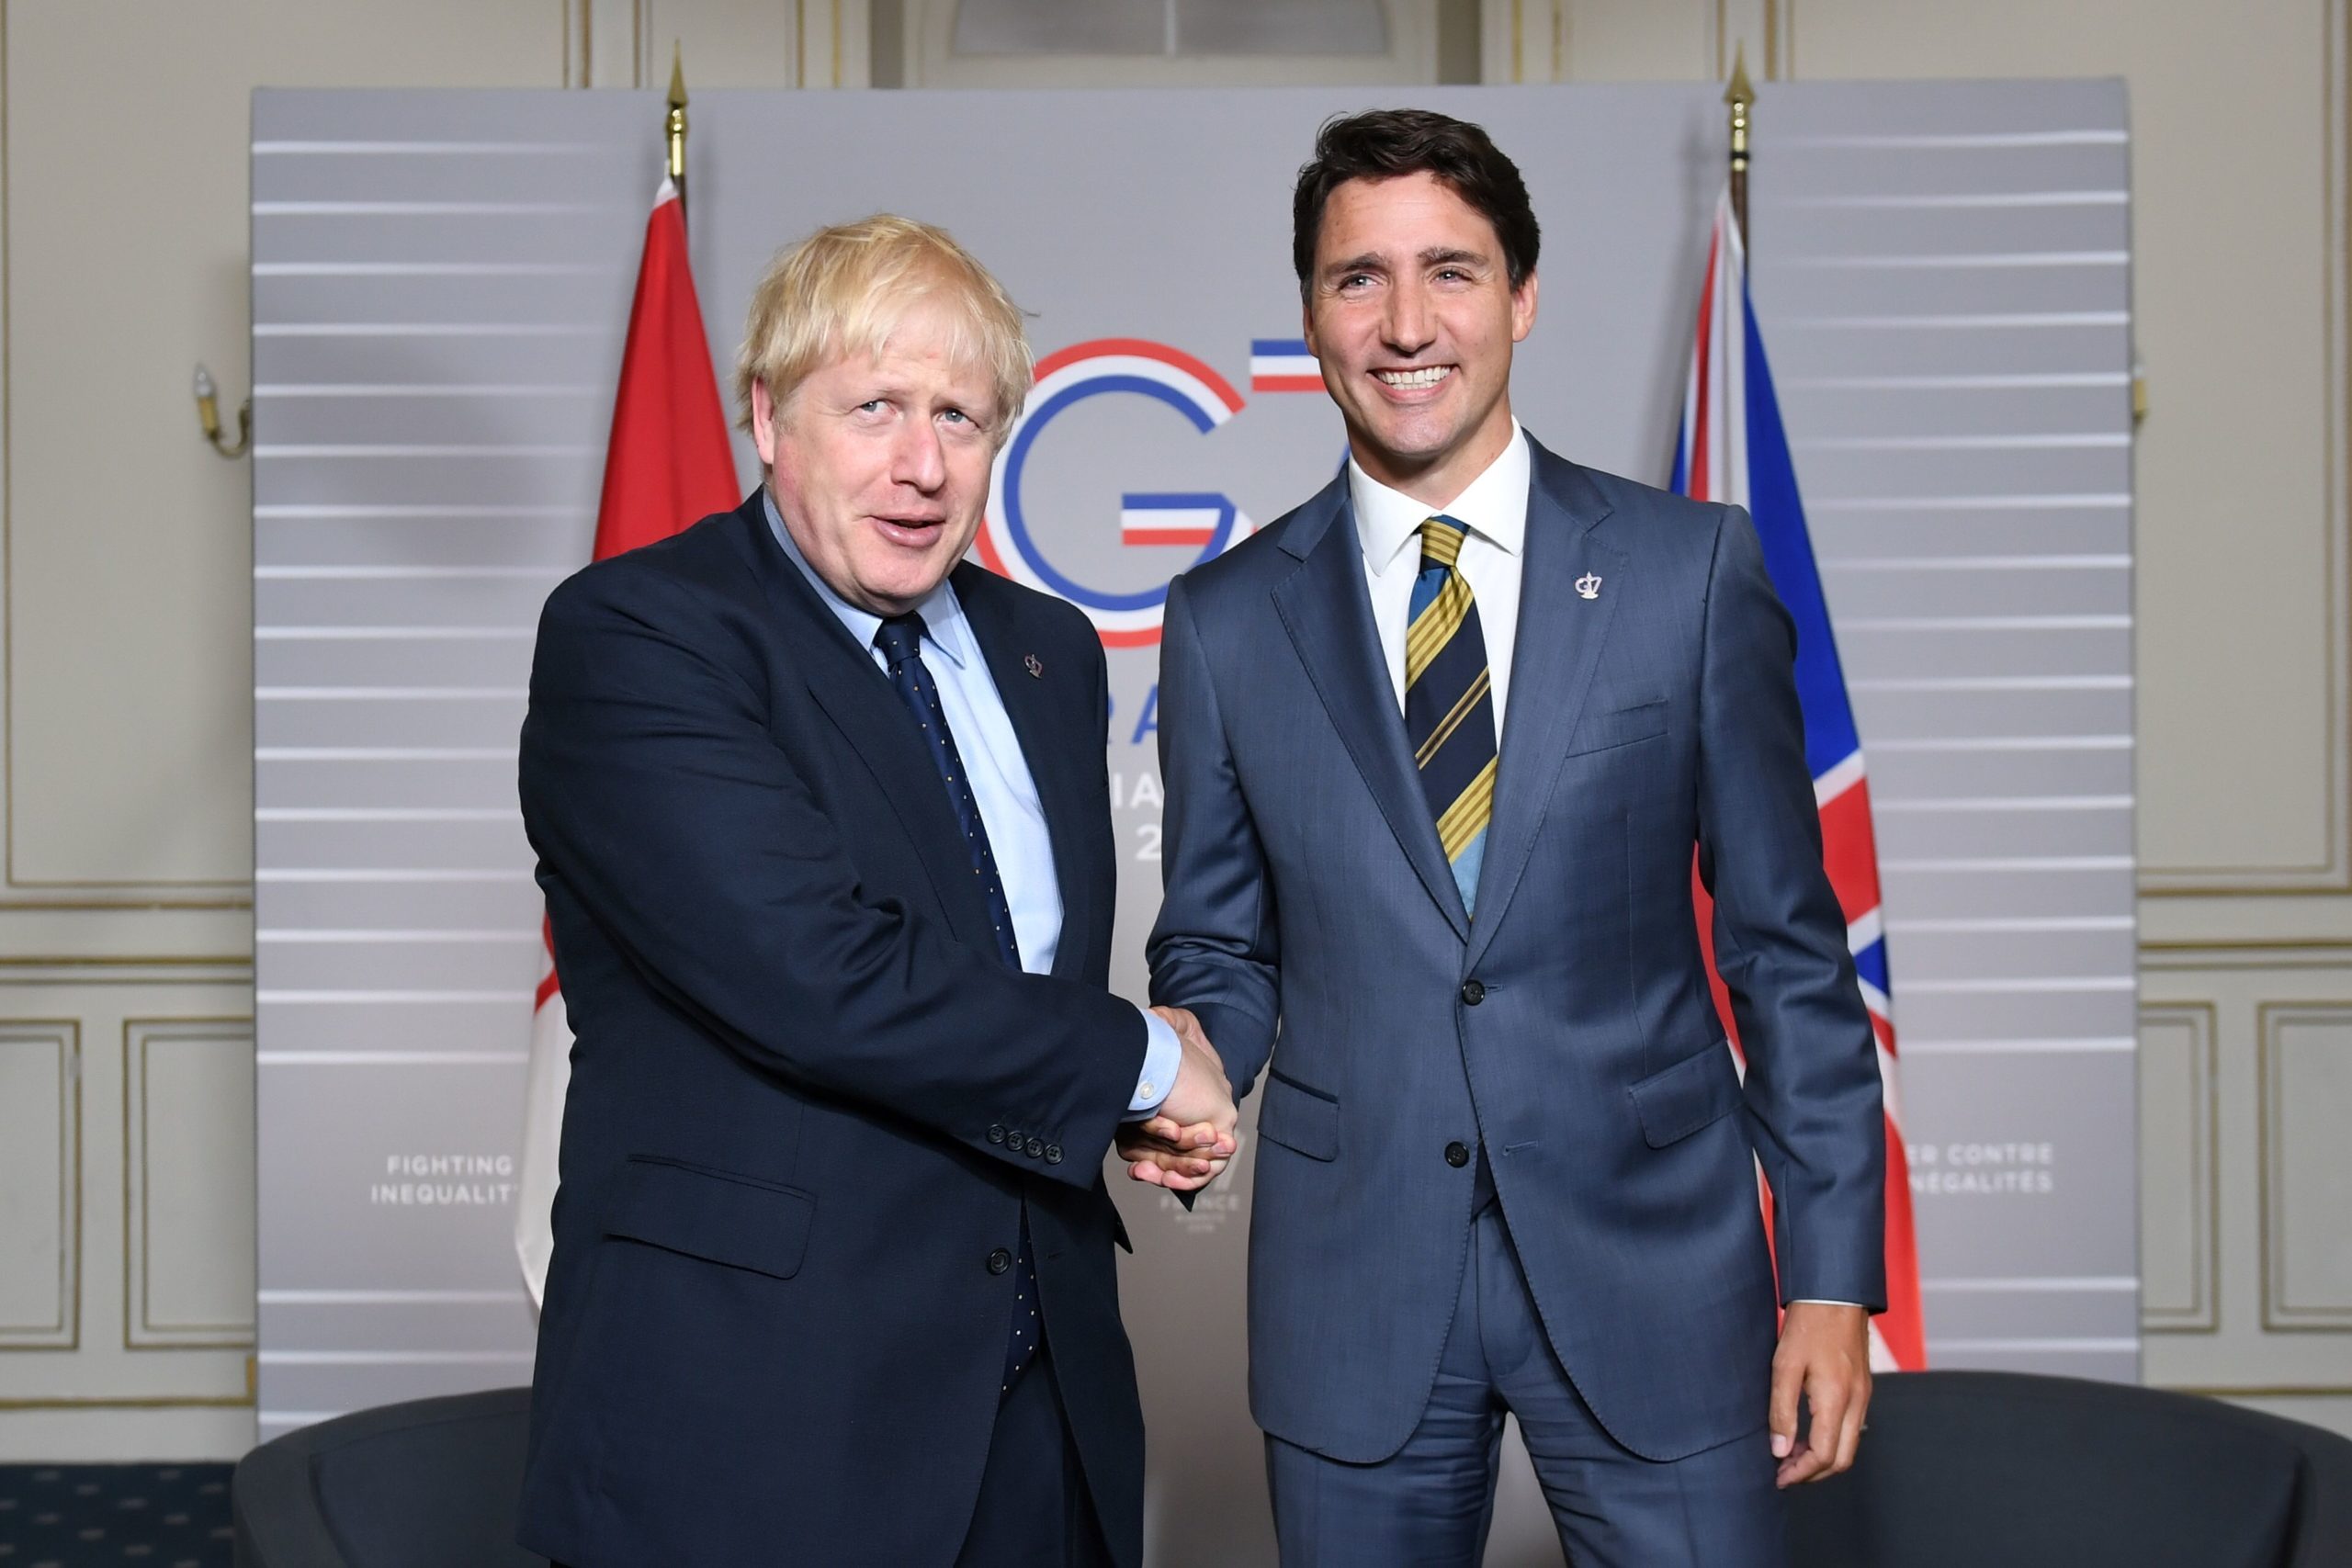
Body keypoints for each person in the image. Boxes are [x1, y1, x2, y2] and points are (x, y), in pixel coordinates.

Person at [1129, 108, 1885, 1566]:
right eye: (1359, 279)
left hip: (1658, 1268)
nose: (1407, 323)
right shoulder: (1225, 621)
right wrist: (1191, 1056)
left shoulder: (1689, 574)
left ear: (1523, 298)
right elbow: (1220, 937)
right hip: (1356, 1290)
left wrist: (1834, 1284)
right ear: (1310, 315)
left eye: (1451, 273)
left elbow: (1789, 954)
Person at [514, 214, 1236, 1568]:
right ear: (767, 414)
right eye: (876, 408)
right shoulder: (639, 637)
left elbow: (1015, 979)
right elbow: (821, 978)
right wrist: (1143, 1061)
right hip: (755, 1421)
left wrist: (1105, 1093)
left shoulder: (1047, 650)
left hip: (1041, 1411)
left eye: (962, 416)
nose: (922, 465)